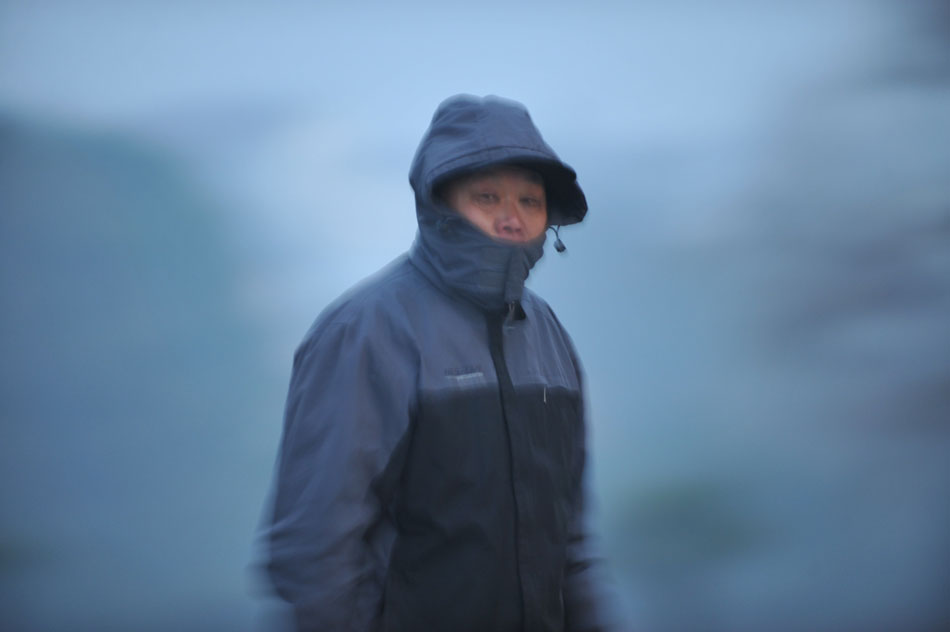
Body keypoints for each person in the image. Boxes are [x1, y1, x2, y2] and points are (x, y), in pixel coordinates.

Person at [264, 94, 623, 631]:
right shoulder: (366, 332)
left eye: (530, 200)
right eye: (486, 196)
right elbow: (315, 549)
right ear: (439, 204)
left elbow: (569, 543)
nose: (512, 218)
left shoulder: (549, 336)